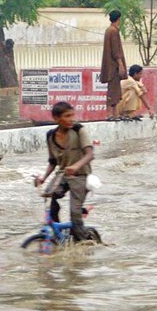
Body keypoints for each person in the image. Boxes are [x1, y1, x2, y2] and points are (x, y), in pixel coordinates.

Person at [35, 102, 95, 242]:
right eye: (67, 116)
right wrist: (43, 178)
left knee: (75, 212)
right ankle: (57, 232)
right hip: (62, 175)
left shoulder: (79, 130)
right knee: (49, 197)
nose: (71, 119)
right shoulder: (51, 135)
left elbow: (90, 154)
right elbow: (52, 161)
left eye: (72, 115)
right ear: (56, 118)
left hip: (80, 175)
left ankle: (82, 242)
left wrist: (76, 166)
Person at [100, 10, 127, 119]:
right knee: (114, 89)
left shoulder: (108, 30)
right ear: (119, 19)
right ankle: (110, 114)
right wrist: (120, 64)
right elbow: (116, 51)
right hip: (113, 65)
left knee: (114, 89)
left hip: (110, 65)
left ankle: (114, 113)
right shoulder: (113, 31)